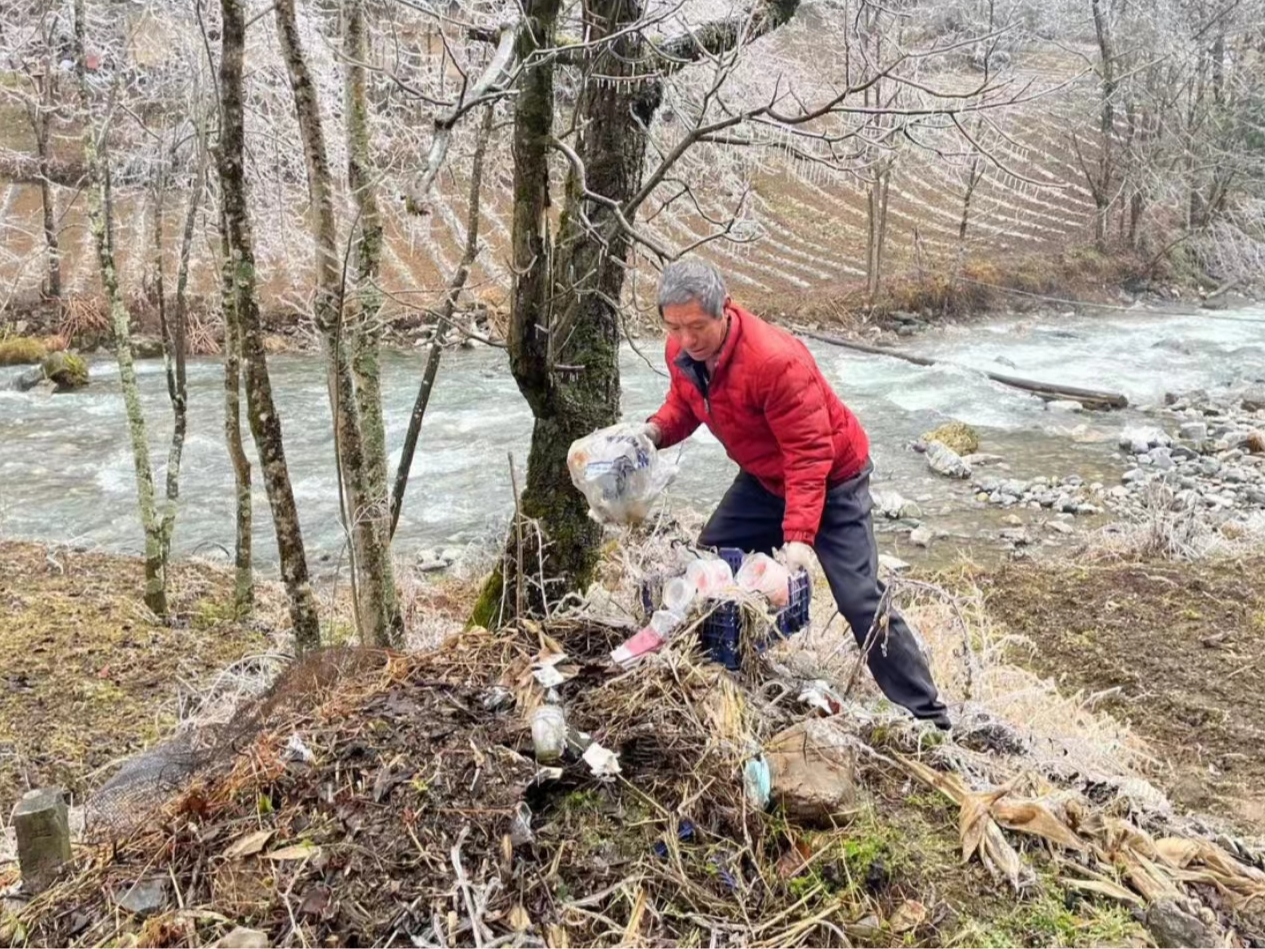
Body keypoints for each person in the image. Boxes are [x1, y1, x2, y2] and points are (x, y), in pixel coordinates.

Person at [643, 258, 950, 729]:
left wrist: (799, 538)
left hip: (833, 478)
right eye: (674, 327)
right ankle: (730, 670)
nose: (686, 340)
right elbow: (685, 404)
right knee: (711, 566)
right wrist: (652, 434)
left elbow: (810, 454)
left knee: (859, 600)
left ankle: (928, 716)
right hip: (765, 479)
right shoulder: (682, 351)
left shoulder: (774, 361)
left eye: (696, 327)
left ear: (724, 310)